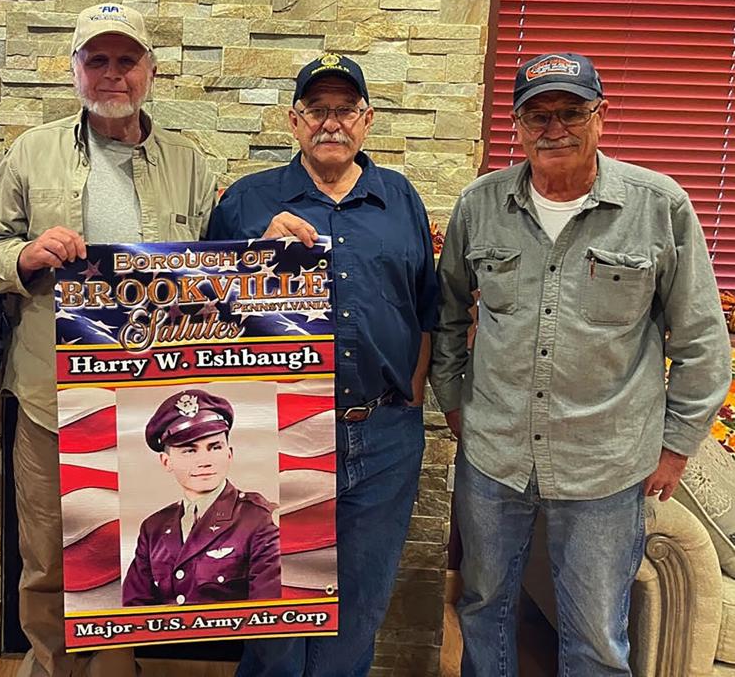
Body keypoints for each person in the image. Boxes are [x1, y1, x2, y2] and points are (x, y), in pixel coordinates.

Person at [430, 52, 732, 676]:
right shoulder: (480, 205)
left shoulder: (659, 207)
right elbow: (447, 313)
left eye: (571, 112)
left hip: (607, 462)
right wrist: (455, 401)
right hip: (494, 457)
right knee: (484, 606)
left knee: (595, 630)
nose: (554, 128)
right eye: (537, 115)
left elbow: (703, 339)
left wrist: (676, 446)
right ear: (516, 124)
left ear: (600, 116)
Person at [0, 2, 218, 677]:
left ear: (151, 70)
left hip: (150, 406)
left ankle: (115, 670)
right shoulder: (31, 153)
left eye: (126, 60)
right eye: (97, 60)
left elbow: (222, 271)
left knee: (129, 553)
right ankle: (51, 668)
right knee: (50, 556)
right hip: (51, 401)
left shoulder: (190, 164)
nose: (113, 74)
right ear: (75, 69)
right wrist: (26, 256)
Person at [207, 53, 439, 677]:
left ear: (366, 120)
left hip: (384, 433)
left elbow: (426, 308)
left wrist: (411, 396)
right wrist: (252, 261)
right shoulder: (248, 201)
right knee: (275, 612)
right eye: (316, 110)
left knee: (358, 608)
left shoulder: (400, 199)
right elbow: (201, 316)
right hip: (279, 433)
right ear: (294, 120)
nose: (329, 123)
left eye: (344, 110)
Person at [122, 389, 281, 607]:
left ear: (229, 454)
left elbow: (269, 611)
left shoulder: (258, 519)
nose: (204, 461)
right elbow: (134, 609)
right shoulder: (153, 529)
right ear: (166, 462)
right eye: (189, 451)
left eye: (214, 447)